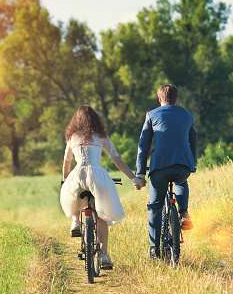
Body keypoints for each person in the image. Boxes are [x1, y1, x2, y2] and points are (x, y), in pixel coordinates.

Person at [60, 105, 145, 268]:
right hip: (97, 176)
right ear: (95, 119)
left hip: (78, 175)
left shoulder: (72, 137)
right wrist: (134, 178)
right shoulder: (101, 136)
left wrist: (65, 181)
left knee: (72, 194)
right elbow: (117, 161)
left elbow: (66, 164)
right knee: (101, 215)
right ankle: (104, 255)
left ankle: (76, 221)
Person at [135, 84, 197, 259]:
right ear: (176, 99)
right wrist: (192, 163)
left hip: (160, 166)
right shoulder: (187, 115)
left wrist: (140, 173)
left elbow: (143, 146)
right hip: (183, 165)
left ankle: (154, 248)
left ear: (160, 99)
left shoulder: (151, 115)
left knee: (155, 206)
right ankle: (183, 212)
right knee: (181, 181)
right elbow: (194, 141)